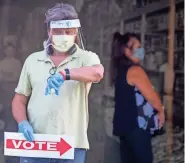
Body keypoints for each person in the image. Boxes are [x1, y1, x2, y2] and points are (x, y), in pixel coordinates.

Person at [12, 3, 104, 163]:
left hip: (70, 146)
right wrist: (22, 122)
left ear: (76, 32)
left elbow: (97, 72)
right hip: (35, 144)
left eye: (69, 32)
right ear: (49, 31)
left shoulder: (85, 58)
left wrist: (66, 74)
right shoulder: (33, 60)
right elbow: (19, 100)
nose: (64, 36)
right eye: (58, 32)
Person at [110, 32, 165, 163]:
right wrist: (161, 111)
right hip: (136, 129)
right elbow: (153, 98)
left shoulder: (120, 70)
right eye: (138, 47)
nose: (141, 50)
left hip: (123, 128)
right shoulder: (136, 71)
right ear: (127, 51)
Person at [0, 44, 22, 163]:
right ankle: (4, 137)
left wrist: (8, 77)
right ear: (5, 51)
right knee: (4, 113)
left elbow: (18, 77)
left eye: (12, 50)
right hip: (3, 91)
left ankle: (14, 136)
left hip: (15, 90)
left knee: (14, 114)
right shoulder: (1, 63)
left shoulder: (17, 63)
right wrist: (7, 77)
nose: (10, 52)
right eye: (8, 50)